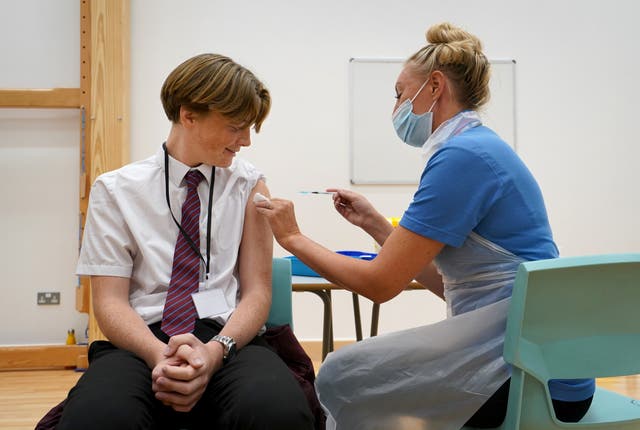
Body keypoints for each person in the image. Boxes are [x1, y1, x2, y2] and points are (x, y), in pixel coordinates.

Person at [255, 23, 594, 429]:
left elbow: (380, 285)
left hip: (526, 378)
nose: (396, 106)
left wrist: (292, 237)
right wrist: (379, 227)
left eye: (400, 93)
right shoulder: (479, 147)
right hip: (551, 367)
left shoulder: (461, 158)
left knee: (340, 376)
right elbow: (449, 284)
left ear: (434, 86)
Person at [57, 53, 314, 430]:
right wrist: (158, 354)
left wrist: (214, 352)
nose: (245, 141)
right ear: (188, 115)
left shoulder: (249, 185)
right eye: (235, 127)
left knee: (279, 413)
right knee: (97, 418)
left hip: (226, 336)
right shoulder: (115, 190)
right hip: (141, 335)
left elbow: (257, 292)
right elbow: (109, 301)